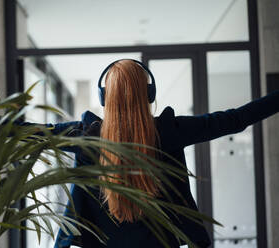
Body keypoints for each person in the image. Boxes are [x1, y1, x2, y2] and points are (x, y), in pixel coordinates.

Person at [42, 59, 278, 248]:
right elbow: (235, 119)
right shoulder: (169, 131)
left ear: (105, 97)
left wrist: (4, 120)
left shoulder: (86, 136)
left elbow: (29, 133)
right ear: (149, 93)